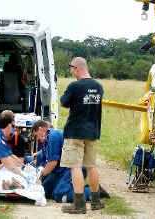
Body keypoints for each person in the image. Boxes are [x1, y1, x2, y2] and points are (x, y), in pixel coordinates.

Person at [60, 57, 104, 214]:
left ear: (77, 68)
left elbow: (64, 102)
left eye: (71, 68)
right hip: (93, 131)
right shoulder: (98, 87)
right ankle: (96, 201)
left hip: (75, 132)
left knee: (75, 167)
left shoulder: (75, 86)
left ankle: (78, 204)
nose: (71, 71)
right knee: (91, 166)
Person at [30, 120, 95, 202]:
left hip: (74, 166)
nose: (38, 139)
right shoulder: (47, 140)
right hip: (62, 169)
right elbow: (44, 156)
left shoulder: (52, 136)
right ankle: (73, 186)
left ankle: (92, 191)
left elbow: (52, 163)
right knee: (45, 190)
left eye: (36, 136)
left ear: (40, 129)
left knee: (60, 195)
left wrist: (38, 175)